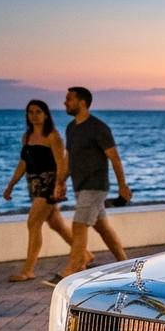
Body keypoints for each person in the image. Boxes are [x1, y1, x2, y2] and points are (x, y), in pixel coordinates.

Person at [45, 87, 131, 286]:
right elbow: (69, 159)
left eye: (69, 99)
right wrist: (60, 182)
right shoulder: (71, 128)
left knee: (79, 224)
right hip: (80, 186)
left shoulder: (98, 128)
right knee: (102, 227)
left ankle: (70, 271)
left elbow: (115, 159)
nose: (65, 102)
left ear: (82, 102)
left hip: (95, 185)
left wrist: (122, 186)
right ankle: (127, 265)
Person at [0, 100, 81, 282]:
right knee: (56, 224)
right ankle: (85, 254)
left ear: (45, 114)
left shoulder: (53, 136)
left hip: (49, 185)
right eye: (30, 112)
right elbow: (23, 163)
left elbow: (62, 164)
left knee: (33, 223)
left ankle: (28, 270)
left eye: (38, 111)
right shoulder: (27, 136)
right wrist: (11, 184)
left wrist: (59, 186)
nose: (34, 115)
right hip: (34, 185)